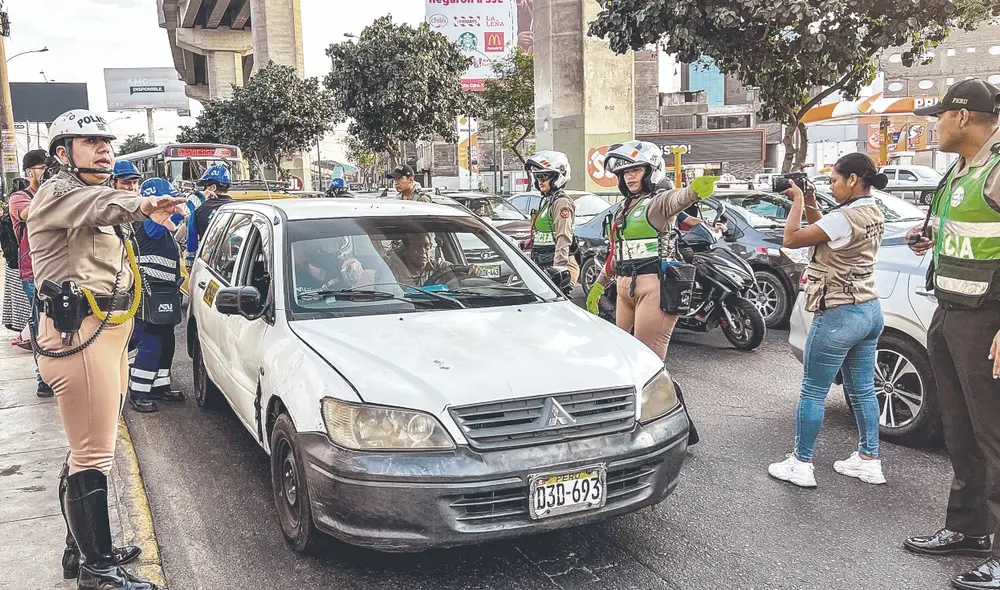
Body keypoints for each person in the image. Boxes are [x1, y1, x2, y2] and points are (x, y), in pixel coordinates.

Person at [28, 109, 186, 590]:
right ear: (62, 153)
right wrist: (141, 205)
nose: (104, 148)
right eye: (89, 141)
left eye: (106, 142)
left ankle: (84, 550)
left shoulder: (89, 192)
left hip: (107, 332)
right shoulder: (59, 191)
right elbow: (99, 204)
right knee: (93, 452)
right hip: (80, 336)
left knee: (91, 447)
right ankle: (98, 572)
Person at [901, 79, 1000, 590]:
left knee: (994, 436)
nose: (933, 125)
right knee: (961, 431)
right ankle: (969, 531)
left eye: (938, 116)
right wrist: (928, 238)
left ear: (963, 117)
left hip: (988, 318)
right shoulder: (961, 171)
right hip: (952, 312)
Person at [766, 153, 887, 489]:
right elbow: (828, 230)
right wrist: (809, 201)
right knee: (862, 389)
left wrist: (794, 205)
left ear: (852, 180)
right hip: (869, 309)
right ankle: (868, 459)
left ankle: (801, 463)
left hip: (838, 312)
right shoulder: (872, 211)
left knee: (813, 390)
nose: (831, 186)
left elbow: (791, 239)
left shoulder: (844, 217)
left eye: (834, 180)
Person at [585, 141, 717, 360]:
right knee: (623, 356)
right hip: (623, 287)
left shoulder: (657, 202)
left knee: (648, 359)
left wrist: (693, 192)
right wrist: (599, 284)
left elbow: (678, 198)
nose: (630, 176)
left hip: (654, 286)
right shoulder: (623, 208)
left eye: (636, 169)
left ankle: (664, 395)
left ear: (651, 171)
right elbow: (615, 253)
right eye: (625, 172)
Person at [126, 178, 187, 414]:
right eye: (168, 200)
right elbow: (156, 225)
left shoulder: (159, 225)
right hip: (149, 295)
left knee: (167, 341)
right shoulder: (147, 224)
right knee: (150, 344)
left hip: (164, 293)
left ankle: (160, 385)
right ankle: (139, 391)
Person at [8, 149, 54, 397]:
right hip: (34, 273)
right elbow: (29, 214)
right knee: (40, 326)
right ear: (29, 172)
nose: (47, 172)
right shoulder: (19, 197)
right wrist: (50, 188)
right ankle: (44, 378)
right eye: (42, 168)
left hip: (59, 268)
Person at [524, 151, 580, 285]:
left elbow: (563, 236)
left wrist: (559, 269)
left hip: (559, 269)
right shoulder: (547, 201)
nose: (540, 181)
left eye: (545, 176)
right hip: (544, 265)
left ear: (557, 177)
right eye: (537, 177)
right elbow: (546, 232)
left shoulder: (561, 202)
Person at [386, 232, 480, 286]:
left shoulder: (439, 266)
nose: (422, 251)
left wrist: (472, 269)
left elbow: (456, 269)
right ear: (406, 249)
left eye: (426, 246)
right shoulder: (391, 270)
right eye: (416, 247)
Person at [185, 165, 231, 265]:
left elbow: (191, 239)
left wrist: (190, 262)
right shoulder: (237, 207)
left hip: (209, 263)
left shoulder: (199, 209)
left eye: (205, 186)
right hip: (235, 263)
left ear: (212, 187)